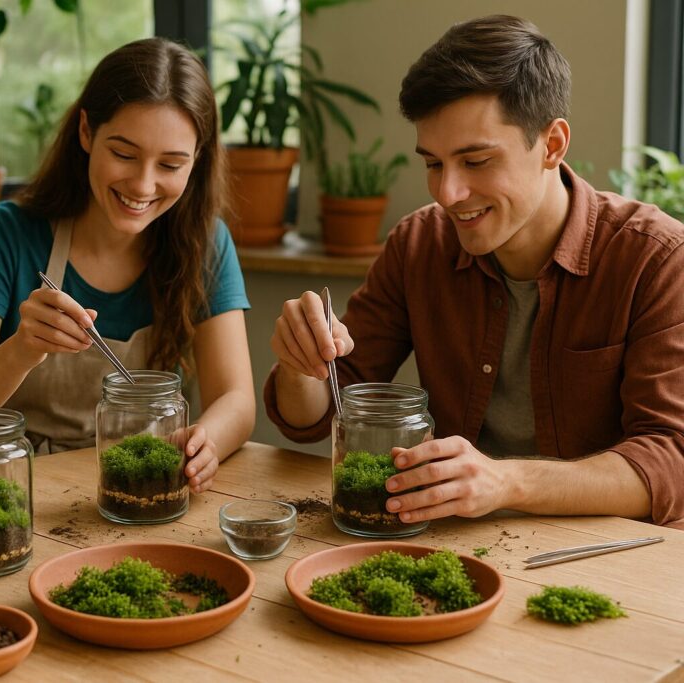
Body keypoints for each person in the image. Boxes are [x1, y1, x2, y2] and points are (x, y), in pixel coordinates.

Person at [265, 15, 684, 529]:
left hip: (607, 555)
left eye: (477, 161)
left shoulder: (657, 259)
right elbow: (322, 412)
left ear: (552, 145)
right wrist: (300, 363)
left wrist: (506, 481)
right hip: (454, 543)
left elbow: (671, 460)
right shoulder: (418, 244)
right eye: (434, 163)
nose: (447, 194)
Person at [0, 38, 255, 493]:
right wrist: (21, 350)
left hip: (140, 489)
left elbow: (235, 399)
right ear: (86, 131)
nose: (143, 184)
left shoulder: (206, 243)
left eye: (170, 164)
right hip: (9, 495)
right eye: (123, 154)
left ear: (197, 159)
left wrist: (207, 440)